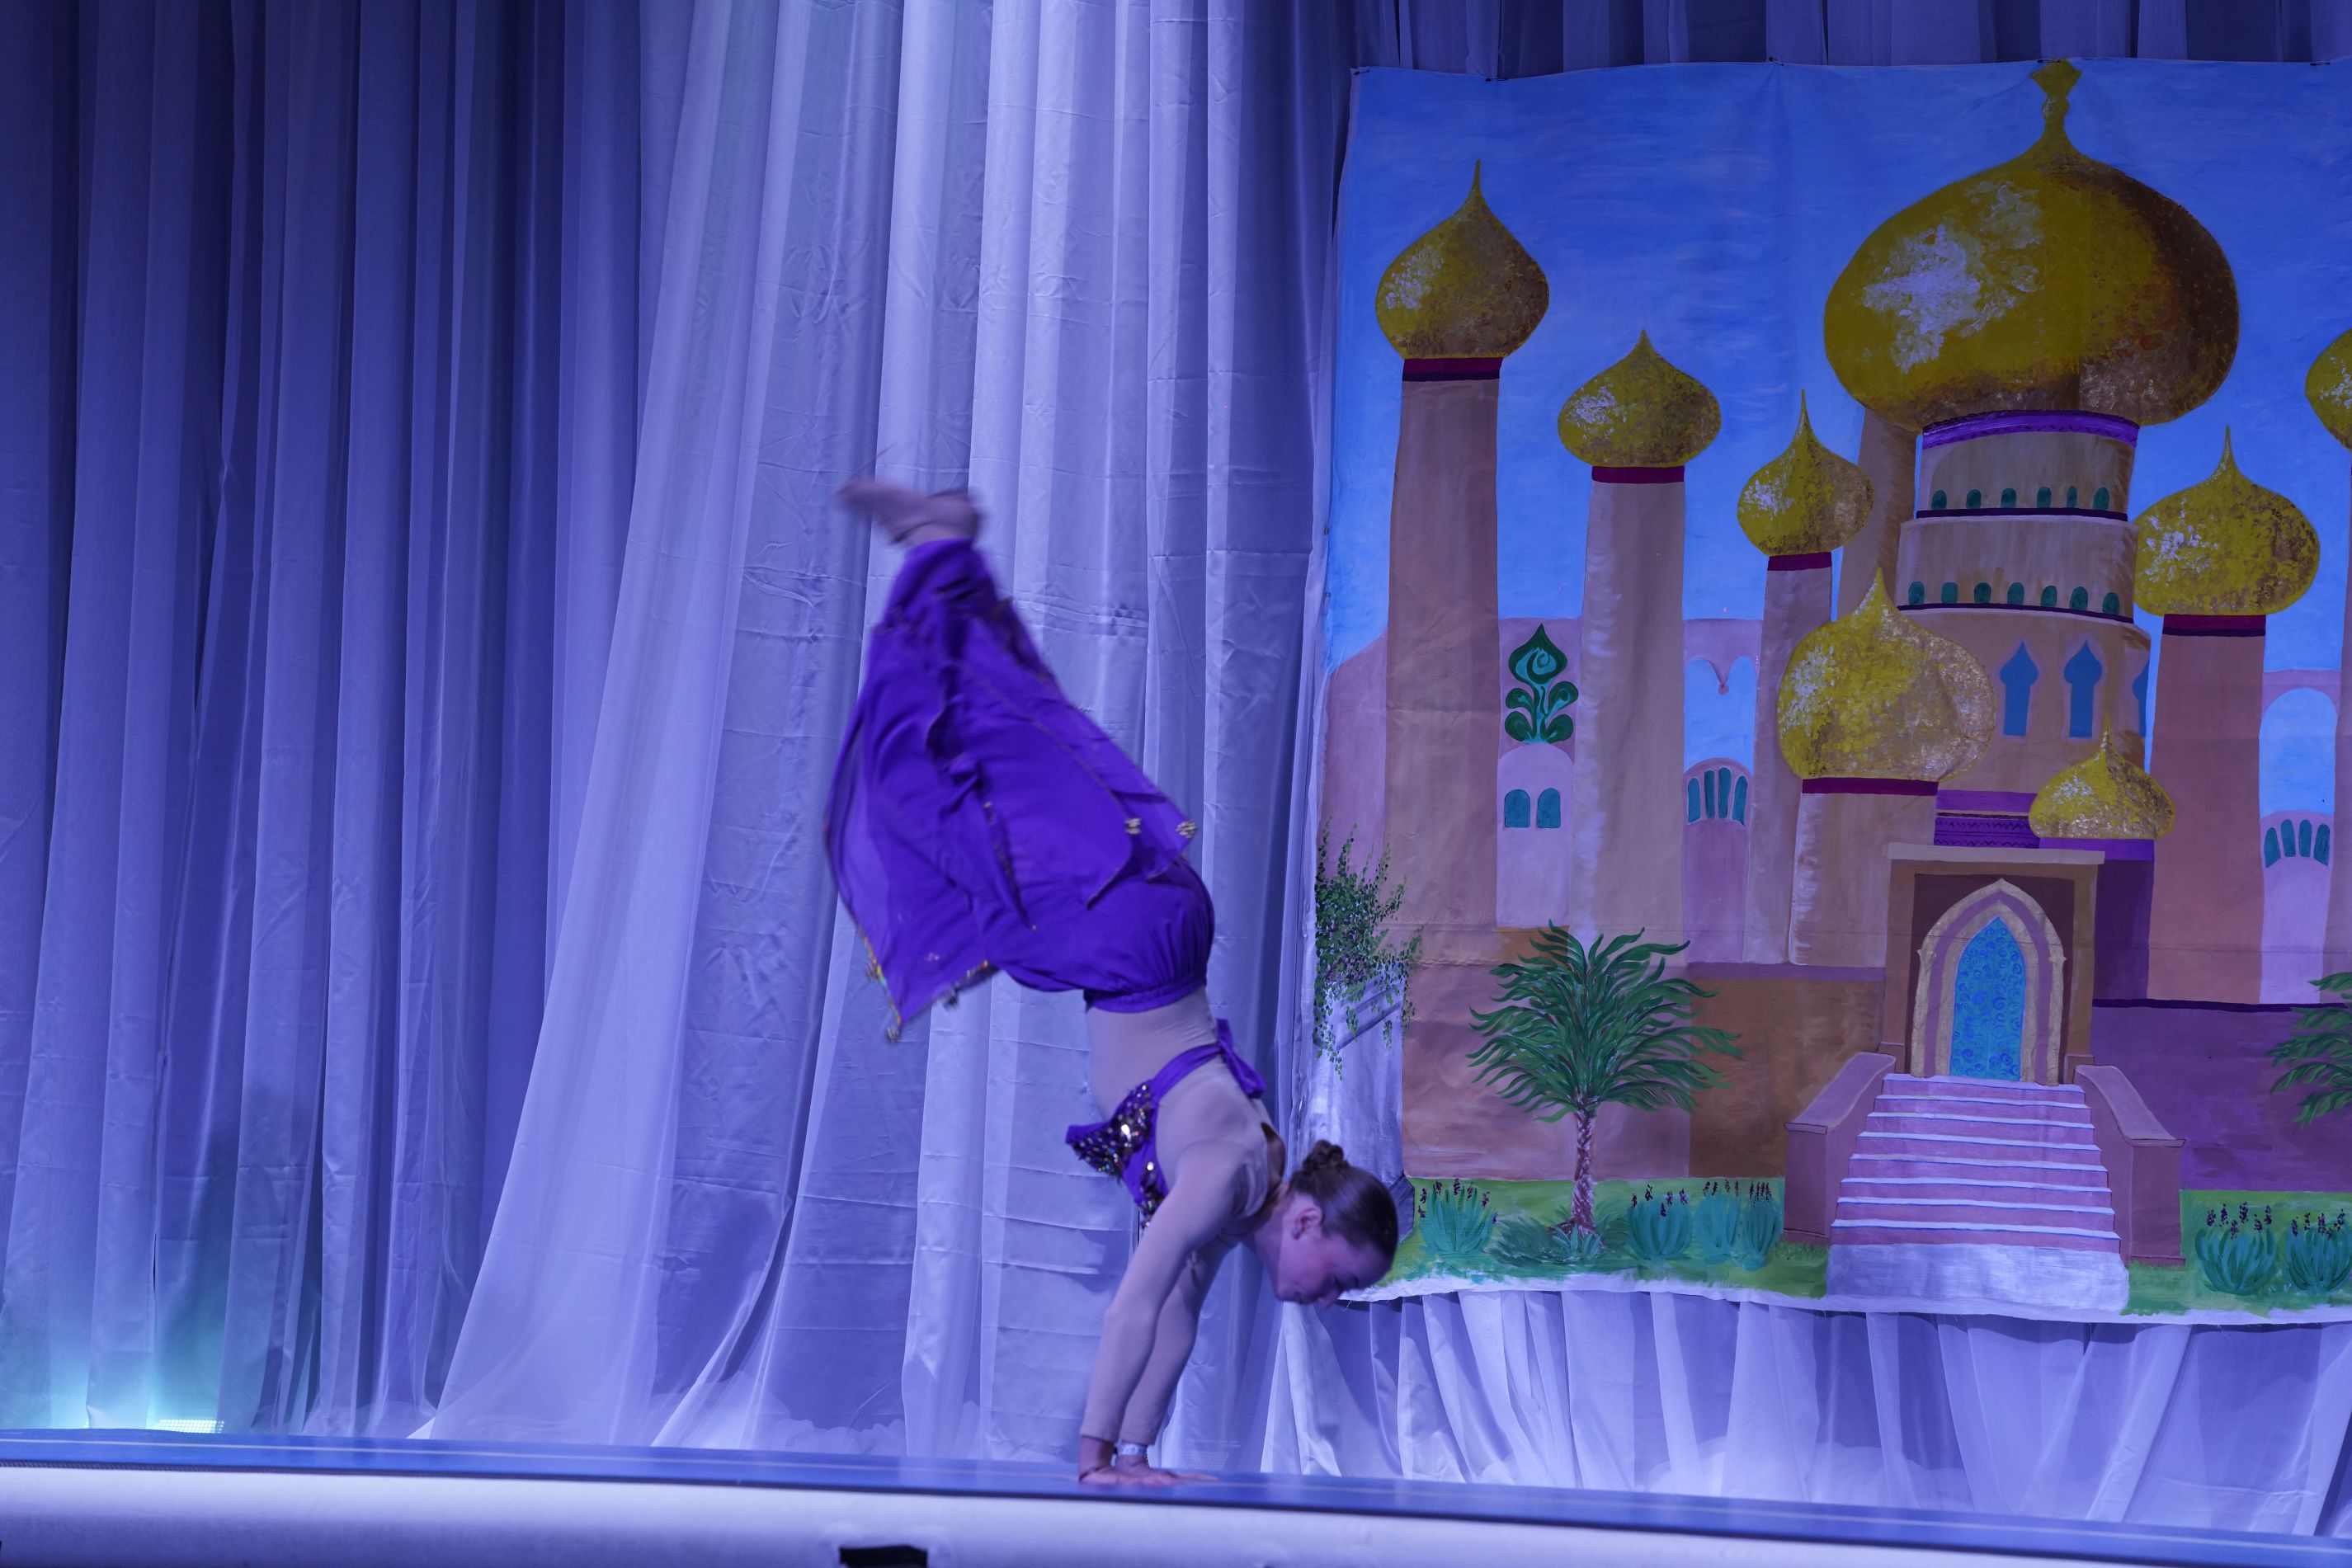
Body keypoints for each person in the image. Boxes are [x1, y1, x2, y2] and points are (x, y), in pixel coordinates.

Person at [826, 478, 1399, 1487]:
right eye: (1337, 1280)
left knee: (1004, 749)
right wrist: (1092, 1454)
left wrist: (1137, 1453)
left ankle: (943, 553)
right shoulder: (1230, 1169)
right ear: (1307, 1222)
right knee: (947, 781)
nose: (1326, 1298)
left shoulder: (1244, 1192)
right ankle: (940, 551)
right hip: (1130, 937)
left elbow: (1175, 1314)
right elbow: (1135, 1298)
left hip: (1148, 936)